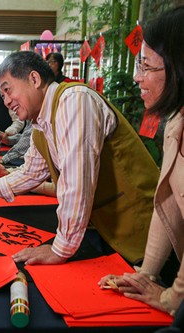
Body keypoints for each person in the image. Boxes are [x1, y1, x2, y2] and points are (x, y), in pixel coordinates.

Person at [0, 51, 160, 266]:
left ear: (34, 79)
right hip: (106, 227)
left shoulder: (75, 100)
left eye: (7, 90)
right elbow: (30, 172)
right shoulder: (41, 120)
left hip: (141, 226)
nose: (6, 102)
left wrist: (59, 250)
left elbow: (76, 183)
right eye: (3, 95)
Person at [99, 7, 184, 317]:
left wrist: (171, 299)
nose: (136, 77)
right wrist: (146, 275)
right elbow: (169, 200)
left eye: (146, 66)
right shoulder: (176, 121)